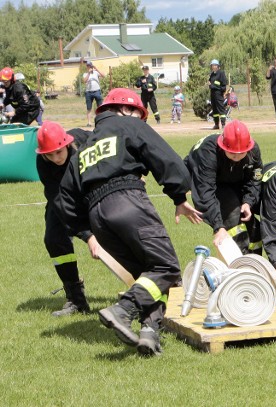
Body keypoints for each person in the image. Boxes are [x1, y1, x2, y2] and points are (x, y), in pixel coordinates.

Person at [56, 88, 203, 356]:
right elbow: (164, 157)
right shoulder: (128, 125)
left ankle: (149, 332)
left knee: (147, 275)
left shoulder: (85, 148)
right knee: (166, 268)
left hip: (98, 218)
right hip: (127, 202)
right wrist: (179, 195)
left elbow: (63, 200)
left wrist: (87, 232)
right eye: (139, 114)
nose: (140, 119)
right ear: (125, 109)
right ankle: (122, 310)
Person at [36, 121, 101, 316]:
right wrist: (87, 235)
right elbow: (58, 199)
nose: (56, 158)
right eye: (50, 154)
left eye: (59, 152)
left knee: (118, 228)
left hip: (93, 193)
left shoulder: (86, 142)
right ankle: (76, 300)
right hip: (63, 199)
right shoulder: (43, 162)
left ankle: (156, 276)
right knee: (54, 239)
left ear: (67, 144)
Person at [184, 120, 263, 253]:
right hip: (208, 179)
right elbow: (205, 192)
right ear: (223, 146)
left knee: (253, 227)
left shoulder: (253, 150)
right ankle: (239, 265)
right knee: (233, 217)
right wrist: (218, 226)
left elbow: (255, 179)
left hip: (232, 179)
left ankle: (256, 264)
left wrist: (248, 202)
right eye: (232, 153)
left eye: (242, 153)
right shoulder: (208, 153)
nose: (237, 156)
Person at [208, 59, 228, 130]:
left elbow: (223, 86)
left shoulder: (221, 73)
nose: (213, 66)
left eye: (214, 65)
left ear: (217, 66)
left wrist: (213, 86)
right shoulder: (212, 74)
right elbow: (210, 83)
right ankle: (216, 124)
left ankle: (223, 124)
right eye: (212, 65)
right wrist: (210, 85)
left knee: (221, 109)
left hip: (219, 94)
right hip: (213, 94)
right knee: (215, 110)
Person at [83, 61, 104, 127]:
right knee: (89, 108)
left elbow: (103, 75)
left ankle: (100, 121)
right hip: (88, 92)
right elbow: (84, 81)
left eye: (91, 66)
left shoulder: (96, 73)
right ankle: (89, 122)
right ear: (87, 67)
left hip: (97, 91)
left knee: (100, 107)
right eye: (88, 66)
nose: (90, 67)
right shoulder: (85, 74)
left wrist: (96, 69)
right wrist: (89, 73)